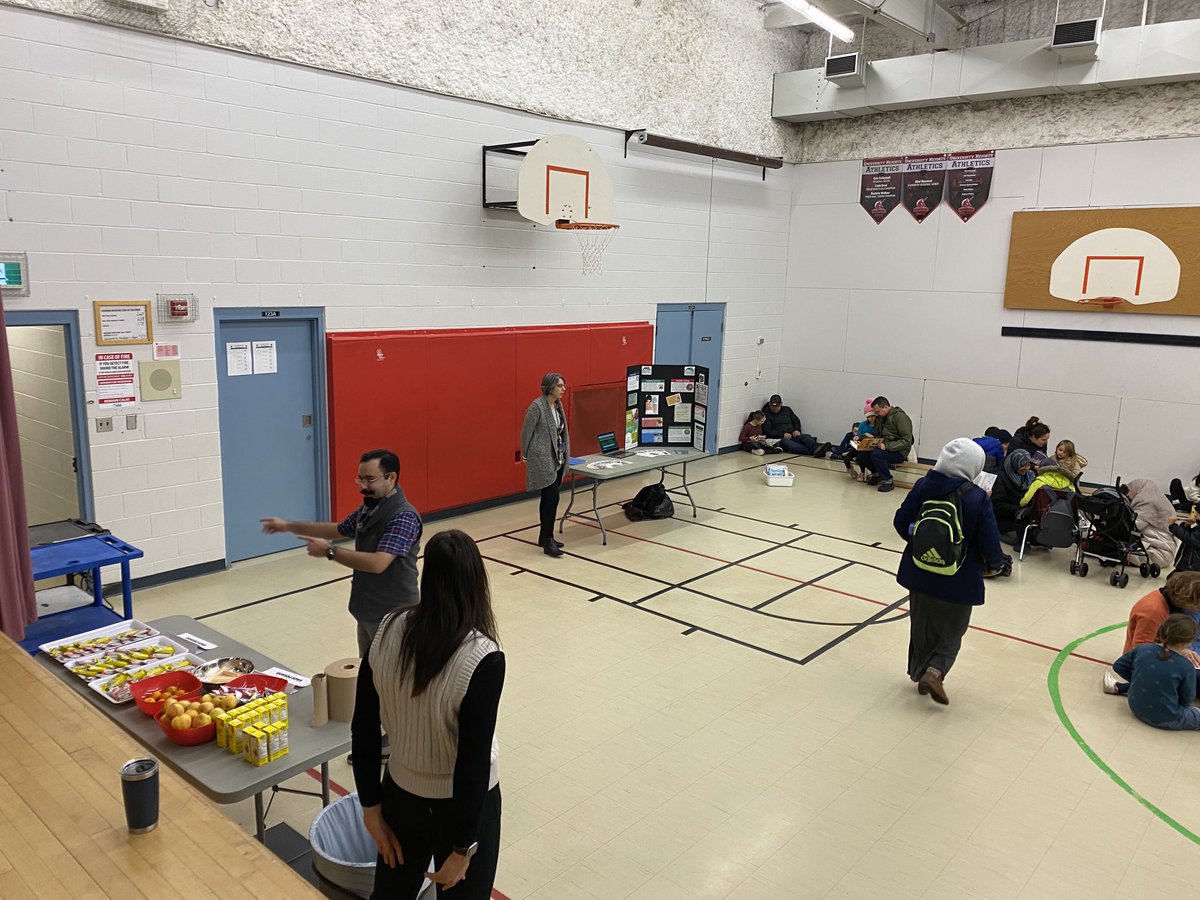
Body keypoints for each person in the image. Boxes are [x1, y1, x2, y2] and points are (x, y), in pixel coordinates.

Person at [352, 530, 504, 899]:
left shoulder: (388, 627)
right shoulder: (483, 657)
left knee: (390, 894)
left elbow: (364, 727)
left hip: (401, 797)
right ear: (476, 583)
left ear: (426, 576)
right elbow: (473, 761)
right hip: (462, 810)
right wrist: (464, 847)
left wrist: (371, 806)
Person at [260, 448, 422, 658]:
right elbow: (336, 530)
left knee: (391, 676)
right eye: (360, 479)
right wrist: (288, 526)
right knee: (368, 672)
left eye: (370, 480)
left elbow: (378, 563)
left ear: (391, 478)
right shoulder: (370, 508)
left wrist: (330, 551)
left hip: (393, 614)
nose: (363, 487)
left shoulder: (403, 517)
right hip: (367, 610)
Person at [894, 438, 1011, 705]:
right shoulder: (976, 497)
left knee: (921, 627)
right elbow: (990, 542)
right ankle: (935, 672)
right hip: (959, 578)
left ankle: (918, 672)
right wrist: (996, 563)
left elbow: (901, 522)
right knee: (952, 632)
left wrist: (920, 540)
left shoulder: (924, 486)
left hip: (919, 571)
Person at [1103, 570, 1200, 694]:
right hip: (1159, 658)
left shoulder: (1171, 600)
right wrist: (1179, 651)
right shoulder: (1154, 611)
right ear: (1189, 599)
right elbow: (1143, 653)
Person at [1111, 614, 1200, 731]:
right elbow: (1187, 699)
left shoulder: (1143, 648)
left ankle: (1123, 688)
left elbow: (1119, 666)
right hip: (1167, 717)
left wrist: (1139, 680)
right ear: (1187, 643)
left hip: (1135, 706)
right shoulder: (1186, 666)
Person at [520, 373, 569, 558]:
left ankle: (544, 536)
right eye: (560, 386)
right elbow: (526, 433)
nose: (563, 389)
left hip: (557, 457)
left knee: (548, 499)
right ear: (549, 388)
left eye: (563, 385)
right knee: (552, 498)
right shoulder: (536, 407)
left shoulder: (557, 405)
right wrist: (526, 455)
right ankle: (548, 540)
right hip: (542, 459)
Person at [1123, 478, 1179, 570]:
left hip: (1160, 551)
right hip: (1165, 548)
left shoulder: (1147, 502)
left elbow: (1134, 525)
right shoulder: (1156, 498)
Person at [863, 396, 913, 493]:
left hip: (899, 451)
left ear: (885, 407)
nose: (876, 415)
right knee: (862, 453)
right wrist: (866, 438)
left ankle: (888, 480)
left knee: (876, 454)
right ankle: (876, 474)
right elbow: (878, 434)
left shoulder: (900, 418)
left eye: (877, 412)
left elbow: (906, 440)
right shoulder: (881, 418)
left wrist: (887, 446)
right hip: (883, 446)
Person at [761, 394, 831, 457]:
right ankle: (815, 451)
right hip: (780, 438)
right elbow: (767, 431)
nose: (775, 408)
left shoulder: (787, 410)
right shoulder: (766, 414)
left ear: (781, 404)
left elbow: (796, 420)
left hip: (793, 434)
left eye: (777, 406)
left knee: (807, 438)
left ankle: (817, 449)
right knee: (793, 446)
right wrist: (782, 434)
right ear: (770, 404)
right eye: (773, 406)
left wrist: (797, 429)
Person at [991, 449, 1034, 542]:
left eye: (1028, 465)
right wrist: (1018, 510)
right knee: (1017, 538)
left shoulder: (1029, 477)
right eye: (1022, 465)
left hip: (1023, 516)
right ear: (1015, 464)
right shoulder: (1001, 477)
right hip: (1005, 518)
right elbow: (998, 505)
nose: (1026, 468)